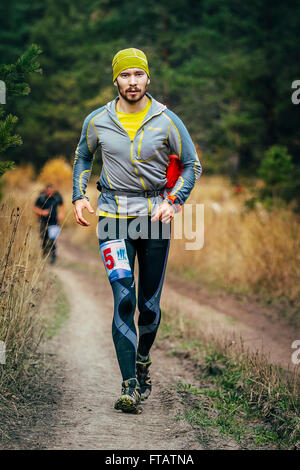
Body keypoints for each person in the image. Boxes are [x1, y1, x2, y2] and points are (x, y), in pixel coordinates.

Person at [72, 48, 202, 414]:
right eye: (125, 75)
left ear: (148, 79)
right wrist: (79, 196)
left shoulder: (167, 120)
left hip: (155, 219)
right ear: (115, 79)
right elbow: (84, 156)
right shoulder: (97, 120)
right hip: (112, 217)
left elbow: (193, 165)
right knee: (124, 299)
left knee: (148, 307)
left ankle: (143, 358)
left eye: (138, 75)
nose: (132, 82)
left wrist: (173, 201)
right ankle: (129, 385)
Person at [34, 184, 64, 264]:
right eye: (49, 191)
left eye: (52, 191)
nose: (50, 192)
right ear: (46, 190)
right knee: (44, 239)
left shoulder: (57, 197)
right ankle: (44, 255)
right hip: (43, 222)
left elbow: (62, 205)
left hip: (54, 222)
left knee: (52, 240)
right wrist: (42, 212)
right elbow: (35, 208)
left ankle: (53, 258)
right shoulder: (41, 197)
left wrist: (61, 213)